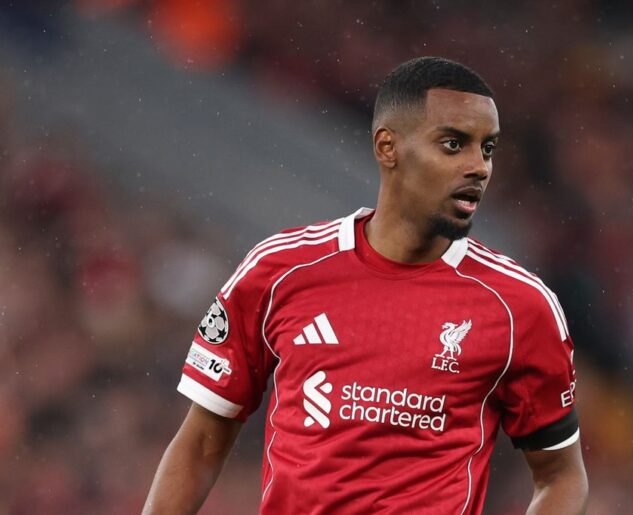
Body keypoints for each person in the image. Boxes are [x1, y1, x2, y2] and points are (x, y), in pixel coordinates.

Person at [143, 56, 588, 514]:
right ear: (387, 147)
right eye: (454, 144)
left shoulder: (520, 306)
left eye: (488, 148)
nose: (479, 166)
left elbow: (560, 475)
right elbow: (199, 445)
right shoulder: (279, 271)